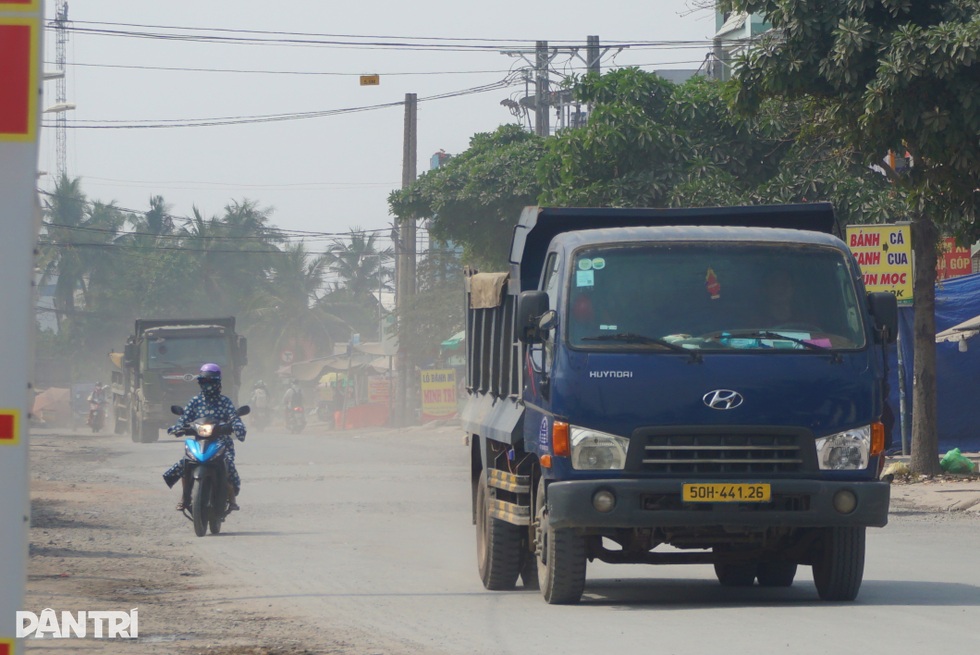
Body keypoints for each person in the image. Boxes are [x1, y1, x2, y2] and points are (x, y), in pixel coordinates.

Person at [162, 363, 246, 512]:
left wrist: (237, 427)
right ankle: (185, 497)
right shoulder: (195, 401)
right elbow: (184, 418)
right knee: (185, 463)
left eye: (211, 382)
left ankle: (232, 498)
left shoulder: (225, 402)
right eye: (204, 382)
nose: (208, 386)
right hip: (199, 441)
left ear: (218, 383)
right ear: (200, 383)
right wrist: (178, 427)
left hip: (222, 441)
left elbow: (234, 417)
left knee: (228, 464)